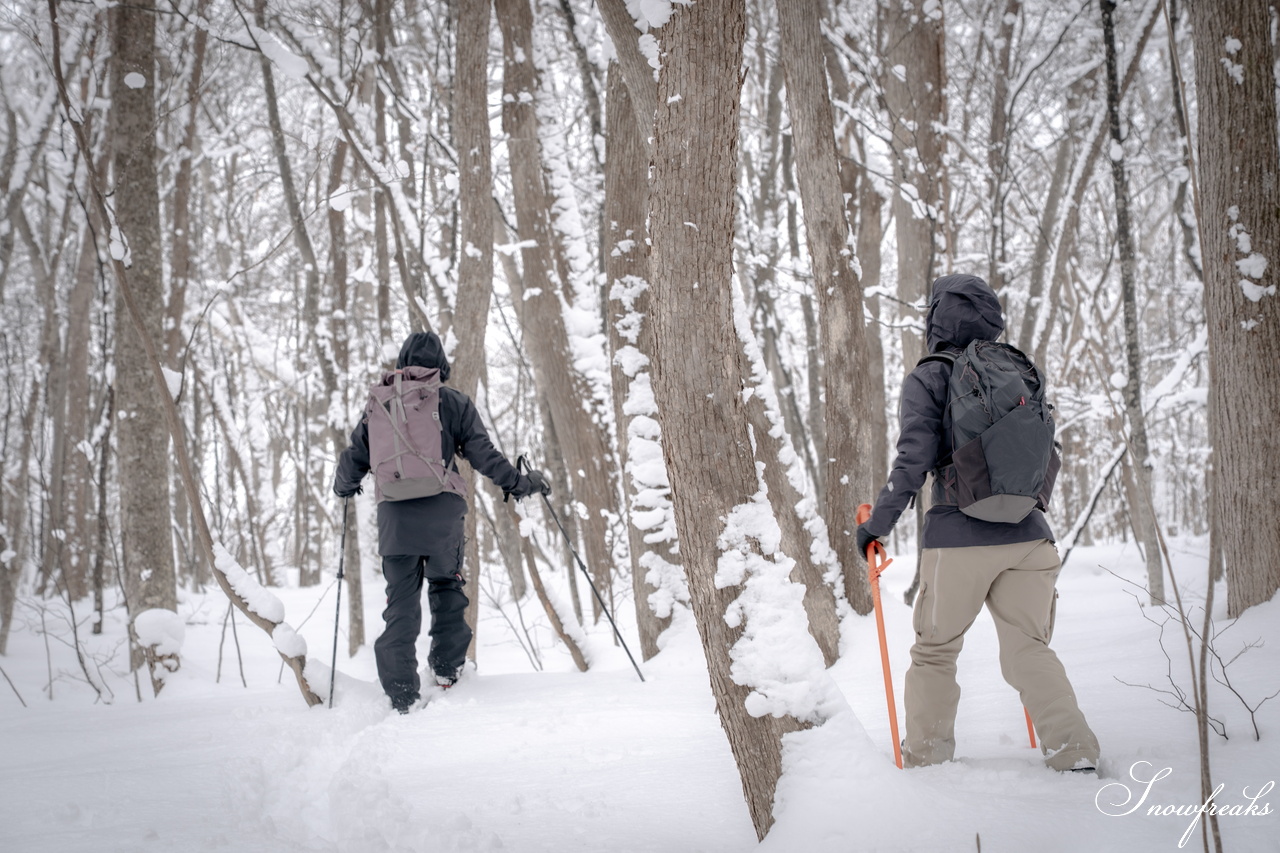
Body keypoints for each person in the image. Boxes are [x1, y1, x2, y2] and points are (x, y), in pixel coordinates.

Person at [856, 274, 1100, 772]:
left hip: (958, 539)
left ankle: (926, 761)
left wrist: (876, 525)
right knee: (1028, 648)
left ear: (935, 320)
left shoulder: (929, 376)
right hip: (1031, 538)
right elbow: (1047, 454)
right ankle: (1075, 754)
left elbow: (913, 461)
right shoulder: (1019, 372)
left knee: (935, 652)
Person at [334, 331, 549, 713]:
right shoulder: (453, 403)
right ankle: (448, 672)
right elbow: (485, 456)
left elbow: (354, 459)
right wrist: (520, 484)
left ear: (402, 362)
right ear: (441, 366)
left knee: (400, 604)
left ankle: (401, 694)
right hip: (443, 517)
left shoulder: (380, 405)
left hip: (396, 521)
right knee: (447, 588)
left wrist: (344, 488)